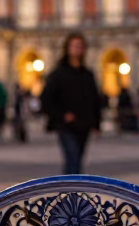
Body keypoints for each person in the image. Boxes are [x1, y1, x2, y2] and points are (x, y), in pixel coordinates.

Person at [40, 33, 101, 175]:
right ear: (67, 48)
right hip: (65, 125)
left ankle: (73, 190)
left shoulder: (87, 74)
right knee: (72, 158)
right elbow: (46, 99)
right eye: (74, 46)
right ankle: (70, 192)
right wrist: (62, 115)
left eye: (80, 46)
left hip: (84, 124)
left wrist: (96, 124)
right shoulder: (58, 74)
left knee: (78, 159)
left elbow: (95, 100)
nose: (77, 49)